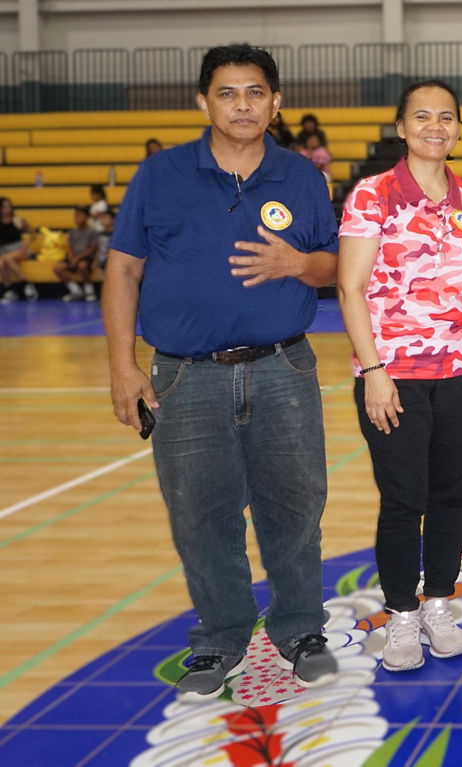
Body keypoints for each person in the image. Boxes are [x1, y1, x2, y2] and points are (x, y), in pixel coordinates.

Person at [103, 44, 340, 700]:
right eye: (229, 93)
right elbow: (122, 268)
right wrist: (123, 365)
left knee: (294, 504)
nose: (244, 105)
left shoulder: (301, 177)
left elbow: (334, 266)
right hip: (184, 375)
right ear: (203, 101)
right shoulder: (160, 174)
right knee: (201, 513)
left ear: (276, 102)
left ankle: (300, 628)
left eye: (256, 92)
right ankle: (221, 635)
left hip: (282, 366)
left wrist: (300, 265)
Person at [335, 80, 462, 671]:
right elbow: (349, 287)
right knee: (404, 499)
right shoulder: (373, 195)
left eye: (446, 117)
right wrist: (374, 371)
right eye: (421, 116)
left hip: (461, 371)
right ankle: (402, 613)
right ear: (401, 127)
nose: (435, 126)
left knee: (452, 494)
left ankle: (439, 603)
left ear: (457, 128)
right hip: (391, 375)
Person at [56, 206, 100, 301]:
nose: (77, 218)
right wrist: (71, 257)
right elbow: (70, 247)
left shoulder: (92, 231)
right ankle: (75, 291)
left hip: (86, 257)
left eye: (80, 216)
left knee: (82, 266)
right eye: (76, 216)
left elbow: (92, 249)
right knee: (58, 268)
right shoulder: (72, 232)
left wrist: (78, 258)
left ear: (87, 217)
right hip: (74, 257)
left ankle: (89, 290)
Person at [0, 197, 37, 303]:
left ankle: (25, 284)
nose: (7, 209)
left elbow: (33, 234)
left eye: (9, 206)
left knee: (6, 259)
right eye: (4, 207)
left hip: (19, 248)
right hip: (5, 251)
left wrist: (26, 245)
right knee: (2, 263)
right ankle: (9, 290)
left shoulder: (18, 220)